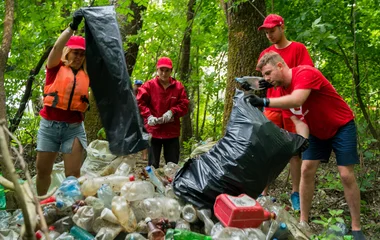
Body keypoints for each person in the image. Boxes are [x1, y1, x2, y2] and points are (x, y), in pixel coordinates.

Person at [251, 51, 365, 240]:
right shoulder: (281, 92)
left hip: (341, 125)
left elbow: (298, 100)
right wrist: (302, 142)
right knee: (306, 170)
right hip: (316, 131)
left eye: (268, 73)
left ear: (280, 66)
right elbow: (298, 121)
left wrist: (264, 101)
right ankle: (303, 222)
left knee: (345, 174)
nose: (266, 79)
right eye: (264, 75)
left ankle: (356, 228)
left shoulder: (305, 73)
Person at [257, 14, 314, 210]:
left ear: (282, 27)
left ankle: (295, 193)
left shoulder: (298, 49)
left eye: (272, 31)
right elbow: (263, 77)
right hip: (273, 105)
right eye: (266, 32)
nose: (269, 35)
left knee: (295, 150)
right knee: (267, 148)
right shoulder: (266, 52)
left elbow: (306, 73)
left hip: (293, 105)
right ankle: (262, 192)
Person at [36, 12, 88, 196]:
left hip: (73, 128)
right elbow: (57, 46)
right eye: (76, 52)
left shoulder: (86, 73)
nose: (79, 57)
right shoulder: (55, 68)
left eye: (82, 54)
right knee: (43, 171)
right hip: (49, 126)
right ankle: (40, 206)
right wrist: (72, 26)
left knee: (73, 175)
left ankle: (71, 207)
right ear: (68, 52)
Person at [137, 57, 189, 168]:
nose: (164, 73)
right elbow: (140, 102)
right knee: (152, 165)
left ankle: (171, 184)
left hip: (171, 131)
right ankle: (153, 184)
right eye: (161, 70)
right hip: (154, 130)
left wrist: (172, 112)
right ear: (157, 70)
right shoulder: (149, 85)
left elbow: (184, 104)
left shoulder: (178, 87)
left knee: (172, 165)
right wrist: (148, 116)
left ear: (171, 71)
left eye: (167, 70)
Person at [133, 79, 148, 161]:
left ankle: (144, 156)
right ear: (134, 86)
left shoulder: (145, 96)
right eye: (137, 85)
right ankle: (131, 156)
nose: (138, 87)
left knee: (144, 137)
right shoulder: (130, 95)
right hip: (133, 120)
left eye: (140, 85)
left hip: (143, 120)